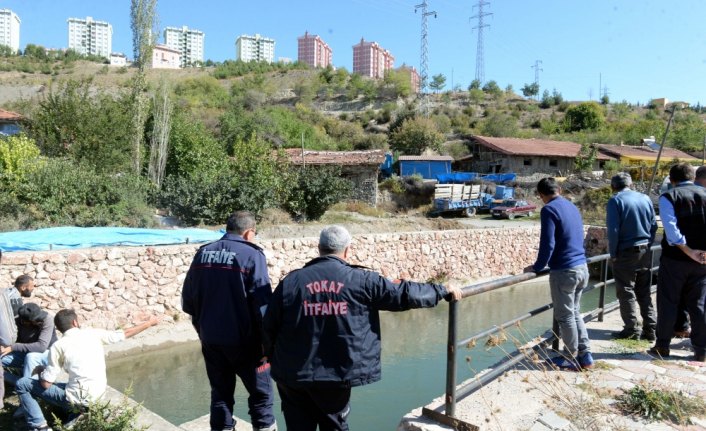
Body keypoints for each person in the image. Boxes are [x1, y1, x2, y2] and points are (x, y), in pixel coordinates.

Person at [263, 225, 463, 431]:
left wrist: (268, 355)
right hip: (335, 374)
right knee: (334, 426)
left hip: (293, 374)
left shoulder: (291, 282)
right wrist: (441, 289)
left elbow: (269, 326)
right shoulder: (363, 281)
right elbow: (404, 294)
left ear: (319, 248)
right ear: (347, 251)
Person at [181, 211, 276, 431]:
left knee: (221, 395)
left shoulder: (202, 253)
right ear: (249, 233)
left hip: (212, 341)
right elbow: (262, 305)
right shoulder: (252, 255)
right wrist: (268, 344)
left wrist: (202, 330)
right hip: (247, 345)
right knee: (261, 397)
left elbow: (188, 301)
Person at [14, 308, 160, 431]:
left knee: (22, 384)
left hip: (76, 398)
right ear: (75, 322)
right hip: (98, 396)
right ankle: (77, 416)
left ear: (58, 328)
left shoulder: (58, 346)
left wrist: (41, 370)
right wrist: (149, 323)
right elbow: (124, 333)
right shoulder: (93, 334)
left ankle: (40, 426)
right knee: (66, 387)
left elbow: (46, 384)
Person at [525, 177, 593, 371]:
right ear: (559, 189)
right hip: (581, 267)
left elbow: (548, 243)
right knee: (575, 312)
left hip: (564, 270)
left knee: (565, 316)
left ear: (540, 195)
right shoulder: (571, 206)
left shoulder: (549, 209)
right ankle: (585, 356)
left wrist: (537, 267)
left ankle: (569, 358)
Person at [649, 163, 706, 362]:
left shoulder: (669, 196)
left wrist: (689, 251)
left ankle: (662, 346)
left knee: (668, 302)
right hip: (702, 262)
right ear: (692, 176)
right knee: (699, 305)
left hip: (675, 260)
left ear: (672, 180)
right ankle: (701, 350)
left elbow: (672, 231)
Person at [606, 172, 658, 341]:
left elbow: (613, 231)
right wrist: (648, 244)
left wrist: (613, 254)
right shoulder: (645, 198)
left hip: (626, 251)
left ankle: (631, 329)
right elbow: (653, 225)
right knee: (644, 290)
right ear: (631, 184)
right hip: (645, 250)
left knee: (626, 290)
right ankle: (650, 328)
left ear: (613, 186)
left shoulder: (615, 200)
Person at [1, 303, 58, 385]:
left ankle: (28, 388)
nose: (39, 320)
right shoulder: (17, 322)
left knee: (31, 357)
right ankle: (19, 382)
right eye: (36, 320)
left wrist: (13, 347)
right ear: (25, 322)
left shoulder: (47, 319)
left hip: (48, 353)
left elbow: (41, 347)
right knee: (2, 357)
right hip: (26, 352)